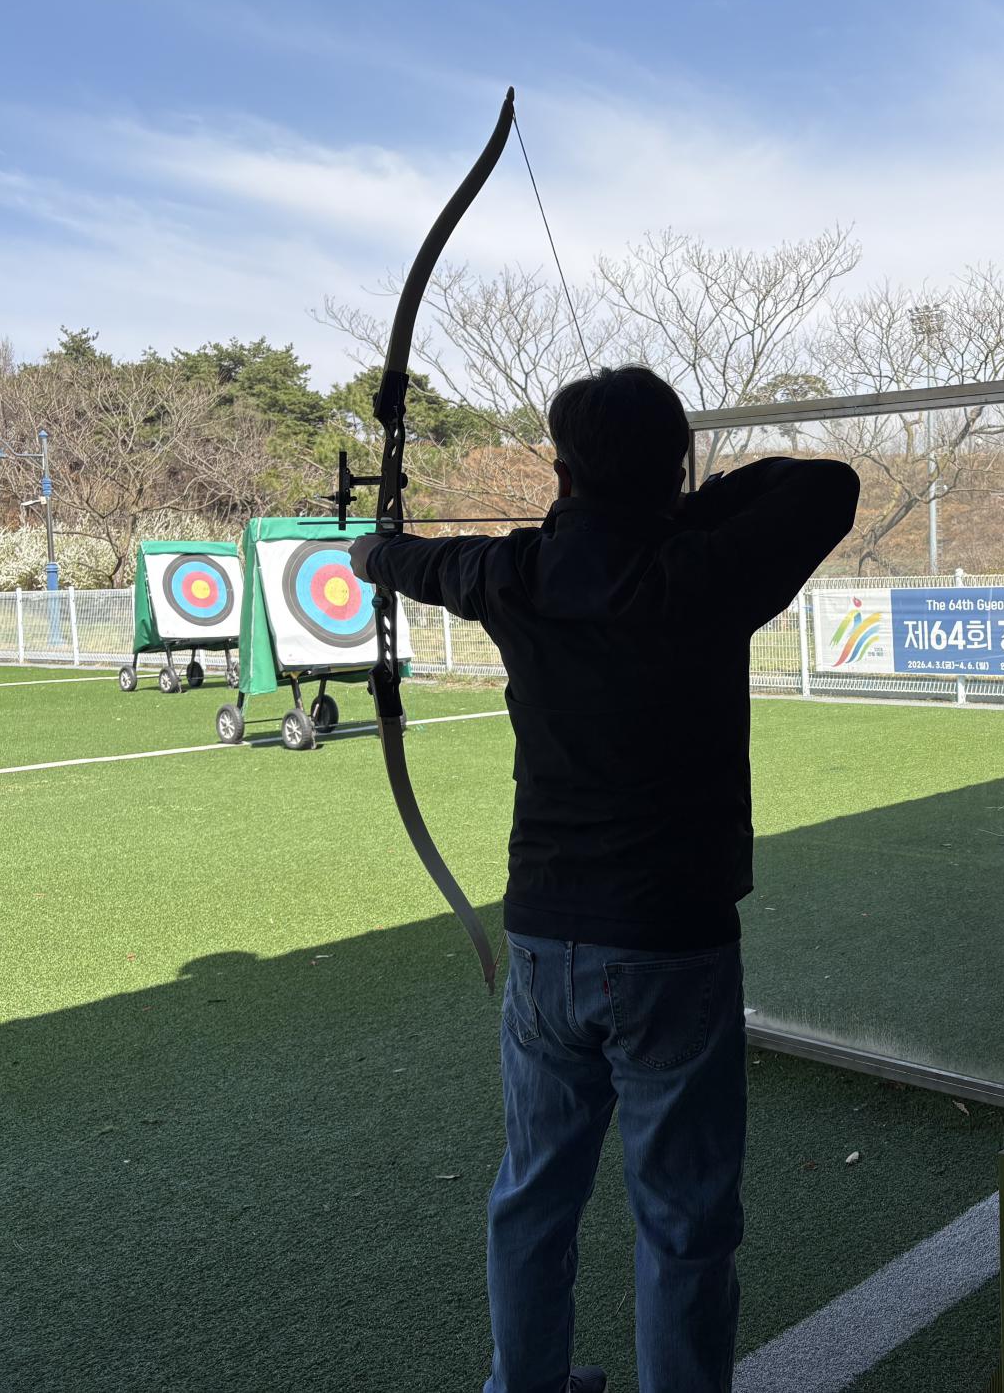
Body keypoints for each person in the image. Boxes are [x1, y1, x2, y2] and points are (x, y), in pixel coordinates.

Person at [351, 366, 860, 1393]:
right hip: (672, 941)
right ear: (674, 467)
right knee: (684, 1216)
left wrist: (373, 547)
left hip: (546, 936)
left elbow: (396, 558)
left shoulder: (511, 571)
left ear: (561, 471)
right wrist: (678, 504)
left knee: (534, 1194)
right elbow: (824, 485)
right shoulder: (704, 569)